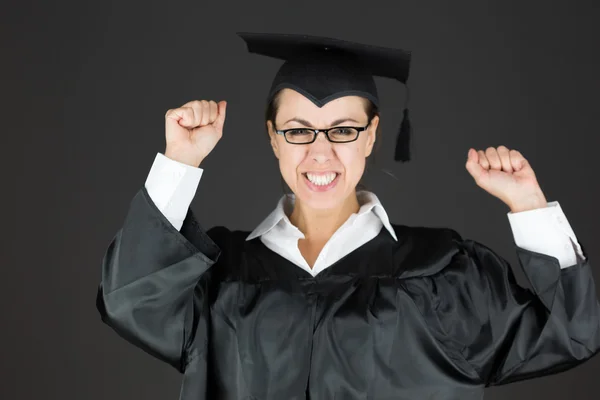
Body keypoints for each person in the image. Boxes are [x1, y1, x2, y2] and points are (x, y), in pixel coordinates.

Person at [96, 32, 600, 400]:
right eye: (298, 130)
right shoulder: (221, 276)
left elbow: (574, 334)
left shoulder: (443, 273)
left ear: (372, 135)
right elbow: (130, 300)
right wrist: (179, 161)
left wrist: (529, 205)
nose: (320, 153)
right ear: (273, 137)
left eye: (342, 129)